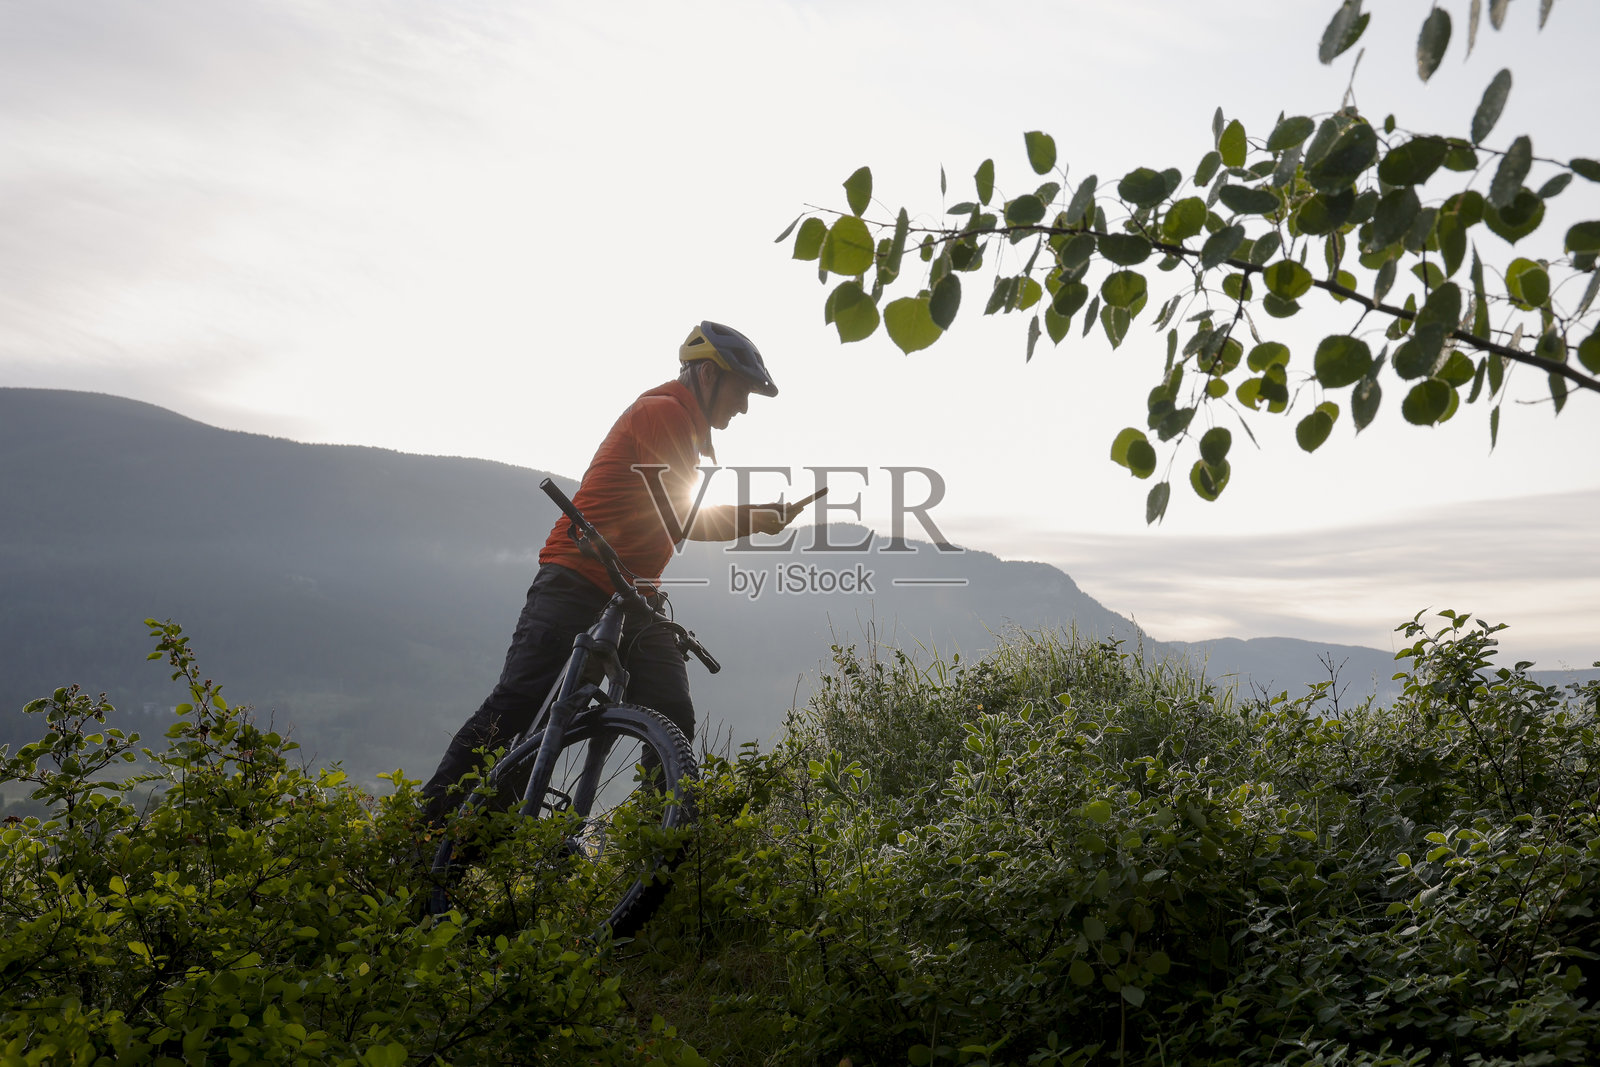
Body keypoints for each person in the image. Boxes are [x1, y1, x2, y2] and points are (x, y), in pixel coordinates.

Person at [420, 320, 800, 825]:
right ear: (708, 375)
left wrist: (759, 519)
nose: (745, 406)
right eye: (742, 391)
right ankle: (422, 833)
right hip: (577, 579)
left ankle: (653, 856)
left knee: (671, 716)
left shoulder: (687, 428)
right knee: (516, 706)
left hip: (634, 597)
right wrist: (758, 519)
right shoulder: (664, 412)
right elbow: (679, 517)